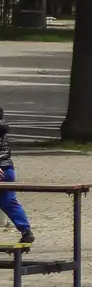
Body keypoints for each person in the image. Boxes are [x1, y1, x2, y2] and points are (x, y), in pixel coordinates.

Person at [0, 104, 33, 247]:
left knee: (8, 201)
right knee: (9, 201)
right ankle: (26, 230)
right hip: (7, 169)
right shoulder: (2, 130)